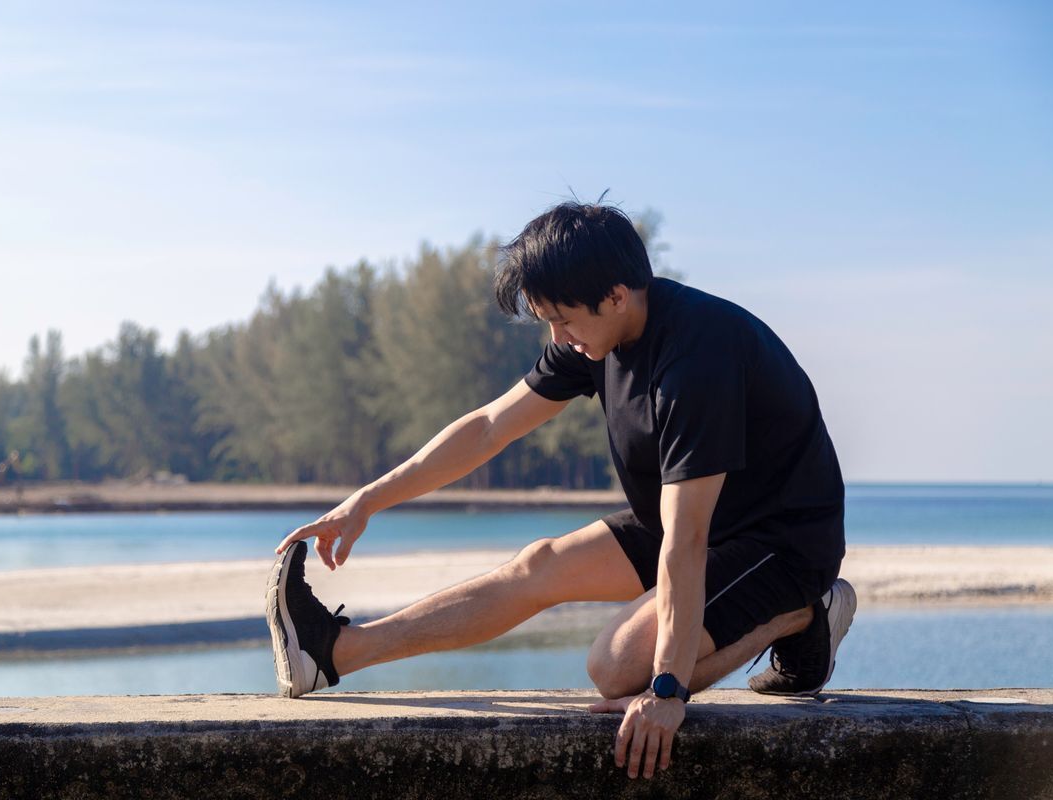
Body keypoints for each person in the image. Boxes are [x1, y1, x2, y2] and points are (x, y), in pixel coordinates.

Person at [266, 201, 856, 781]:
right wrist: (366, 501)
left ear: (617, 296)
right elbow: (489, 427)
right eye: (547, 319)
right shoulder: (595, 335)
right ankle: (333, 653)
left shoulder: (696, 360)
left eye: (563, 319)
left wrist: (668, 692)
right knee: (538, 565)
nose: (557, 336)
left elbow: (687, 541)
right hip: (692, 520)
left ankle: (803, 613)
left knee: (617, 667)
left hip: (781, 542)